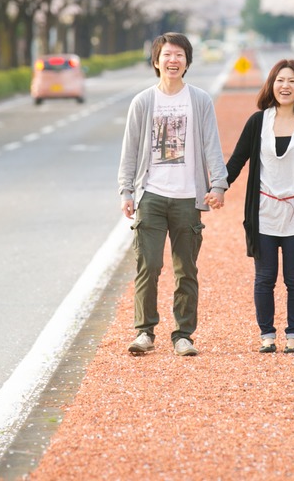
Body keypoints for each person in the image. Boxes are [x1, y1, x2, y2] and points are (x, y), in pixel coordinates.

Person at [118, 32, 227, 357]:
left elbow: (212, 144)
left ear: (187, 61)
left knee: (186, 270)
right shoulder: (143, 102)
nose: (173, 60)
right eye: (167, 55)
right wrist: (126, 190)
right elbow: (130, 150)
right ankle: (144, 332)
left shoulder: (200, 100)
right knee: (148, 265)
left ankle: (183, 335)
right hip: (151, 195)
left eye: (179, 55)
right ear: (156, 61)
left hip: (188, 197)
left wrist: (218, 185)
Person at [224, 59, 294, 354]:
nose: (285, 86)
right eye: (280, 80)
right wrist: (216, 188)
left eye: (291, 81)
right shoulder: (257, 122)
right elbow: (237, 162)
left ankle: (293, 336)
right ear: (271, 85)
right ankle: (267, 335)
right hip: (264, 212)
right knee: (265, 278)